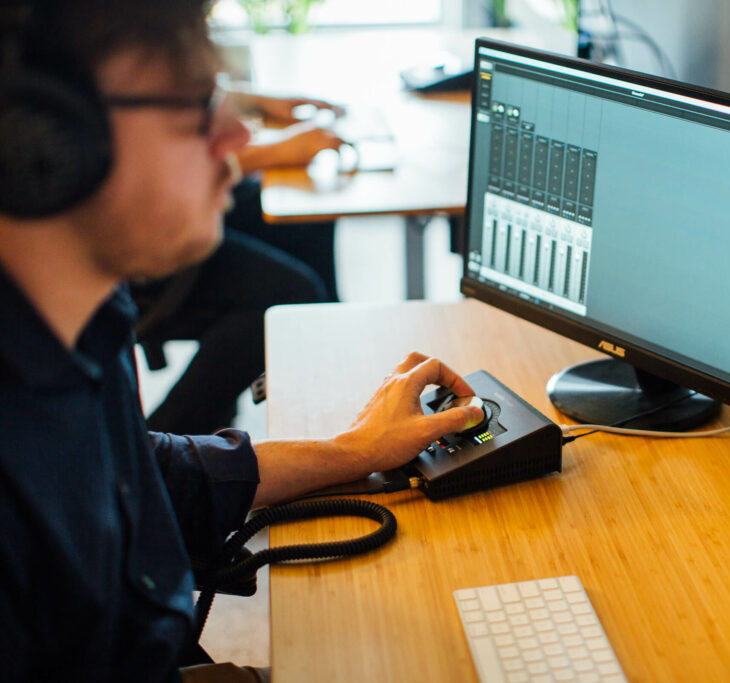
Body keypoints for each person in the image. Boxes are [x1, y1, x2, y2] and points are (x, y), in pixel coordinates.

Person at [0, 2, 484, 682]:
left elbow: (143, 470)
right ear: (46, 141)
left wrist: (355, 449)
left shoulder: (84, 318)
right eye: (199, 106)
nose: (235, 136)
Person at [133, 94, 347, 435]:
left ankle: (335, 402)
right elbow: (145, 175)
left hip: (167, 205)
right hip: (139, 234)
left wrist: (256, 101)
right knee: (289, 295)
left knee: (305, 218)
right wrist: (272, 153)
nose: (242, 135)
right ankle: (165, 447)